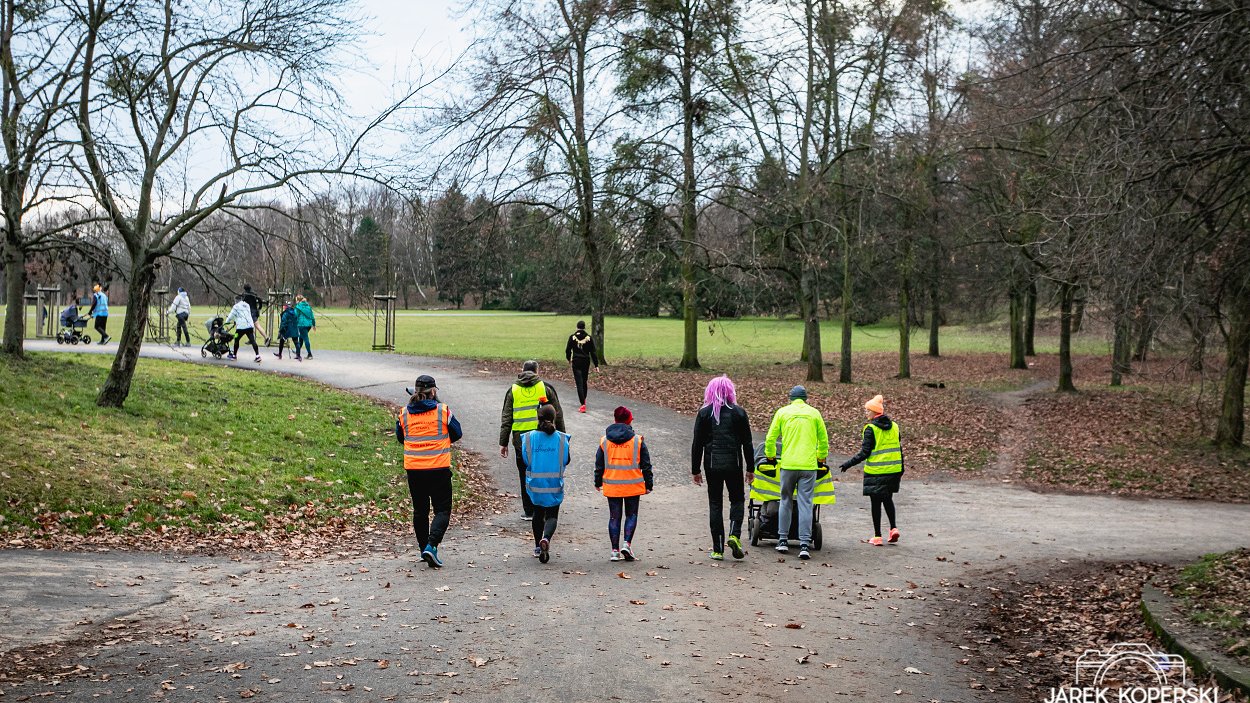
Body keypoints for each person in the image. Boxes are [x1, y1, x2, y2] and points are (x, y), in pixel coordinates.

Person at [396, 375, 463, 568]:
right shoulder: (443, 411)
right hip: (438, 467)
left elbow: (402, 437)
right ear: (433, 392)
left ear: (415, 392)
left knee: (420, 511)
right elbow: (457, 433)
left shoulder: (404, 413)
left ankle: (423, 547)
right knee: (442, 509)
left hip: (414, 469)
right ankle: (431, 545)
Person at [690, 375, 754, 561]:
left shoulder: (704, 413)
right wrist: (751, 468)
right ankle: (734, 534)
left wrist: (695, 469)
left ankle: (718, 548)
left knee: (715, 503)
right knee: (737, 500)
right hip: (734, 463)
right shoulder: (739, 413)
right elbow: (747, 443)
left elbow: (697, 444)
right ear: (730, 392)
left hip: (712, 465)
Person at [762, 385, 829, 561]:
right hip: (808, 466)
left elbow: (770, 438)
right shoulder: (814, 414)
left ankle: (782, 539)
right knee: (806, 503)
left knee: (785, 501)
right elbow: (823, 440)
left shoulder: (782, 412)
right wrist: (821, 458)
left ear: (790, 398)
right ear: (806, 399)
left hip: (789, 464)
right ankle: (805, 544)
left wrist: (770, 456)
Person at [498, 360, 565, 520]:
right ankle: (544, 506)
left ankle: (529, 511)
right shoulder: (545, 388)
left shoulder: (513, 390)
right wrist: (562, 436)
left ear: (522, 371)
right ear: (537, 371)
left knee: (524, 474)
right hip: (544, 438)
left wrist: (503, 442)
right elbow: (558, 413)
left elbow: (506, 418)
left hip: (521, 441)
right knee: (544, 472)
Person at [839, 394, 904, 546]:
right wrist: (902, 468)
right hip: (893, 470)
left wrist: (848, 464)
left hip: (876, 472)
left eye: (868, 410)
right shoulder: (895, 426)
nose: (866, 413)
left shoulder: (870, 429)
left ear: (875, 412)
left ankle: (877, 536)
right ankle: (893, 528)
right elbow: (898, 448)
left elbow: (865, 453)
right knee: (888, 498)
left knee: (875, 502)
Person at [595, 406, 653, 562]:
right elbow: (646, 465)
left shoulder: (604, 441)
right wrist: (649, 484)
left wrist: (597, 481)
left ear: (615, 420)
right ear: (628, 420)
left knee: (614, 517)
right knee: (631, 515)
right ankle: (626, 544)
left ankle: (614, 551)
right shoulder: (637, 440)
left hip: (612, 484)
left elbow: (599, 464)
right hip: (632, 485)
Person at [521, 404, 570, 564]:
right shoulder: (562, 439)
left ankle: (537, 546)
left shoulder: (528, 438)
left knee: (537, 514)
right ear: (554, 418)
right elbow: (566, 460)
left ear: (538, 418)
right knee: (552, 515)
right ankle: (546, 538)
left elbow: (526, 460)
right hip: (554, 483)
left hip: (535, 484)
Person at [564, 320, 599, 413]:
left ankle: (582, 404)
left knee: (579, 383)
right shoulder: (589, 338)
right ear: (584, 327)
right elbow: (593, 352)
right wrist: (596, 365)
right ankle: (584, 399)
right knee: (584, 381)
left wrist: (568, 358)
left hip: (576, 361)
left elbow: (568, 350)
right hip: (586, 361)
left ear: (577, 327)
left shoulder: (572, 337)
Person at [224, 294, 261, 363]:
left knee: (236, 338)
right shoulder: (247, 305)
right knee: (252, 340)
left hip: (240, 328)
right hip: (249, 326)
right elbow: (245, 315)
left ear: (236, 300)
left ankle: (234, 355)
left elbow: (231, 316)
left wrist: (226, 322)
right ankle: (257, 356)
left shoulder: (236, 307)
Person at [293, 295, 316, 360]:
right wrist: (313, 325)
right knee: (301, 337)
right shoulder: (308, 306)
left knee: (305, 338)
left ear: (298, 300)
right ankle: (298, 353)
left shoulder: (298, 307)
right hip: (309, 325)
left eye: (296, 300)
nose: (296, 301)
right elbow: (312, 317)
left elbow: (295, 316)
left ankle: (310, 354)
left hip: (302, 324)